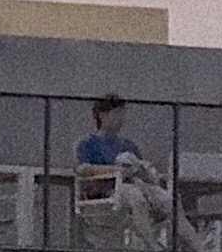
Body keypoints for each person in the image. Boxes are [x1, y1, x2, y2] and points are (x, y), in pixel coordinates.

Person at [73, 95, 170, 241]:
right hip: (108, 192)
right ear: (102, 115)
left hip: (138, 186)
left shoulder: (129, 145)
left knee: (170, 202)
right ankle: (151, 246)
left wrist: (148, 172)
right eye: (117, 113)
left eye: (122, 113)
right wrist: (116, 171)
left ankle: (198, 249)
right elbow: (82, 169)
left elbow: (140, 168)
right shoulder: (88, 144)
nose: (122, 118)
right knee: (135, 198)